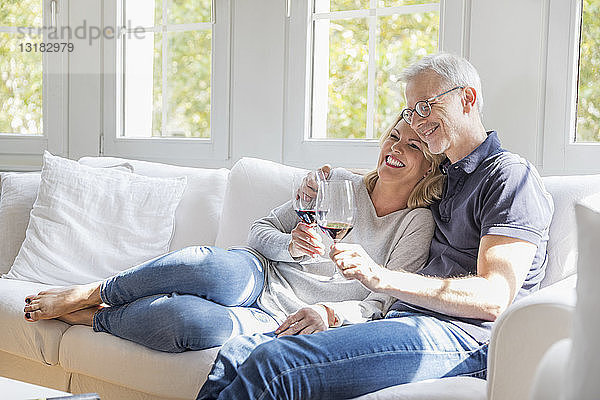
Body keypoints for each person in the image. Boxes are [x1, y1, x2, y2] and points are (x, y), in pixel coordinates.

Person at [195, 52, 554, 400]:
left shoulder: (509, 177)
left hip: (464, 337)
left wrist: (378, 275)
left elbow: (494, 298)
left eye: (426, 107)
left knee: (275, 364)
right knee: (241, 353)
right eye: (411, 112)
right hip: (402, 318)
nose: (417, 121)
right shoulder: (446, 175)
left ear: (467, 99)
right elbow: (387, 176)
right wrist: (323, 186)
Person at [22, 120, 445, 354]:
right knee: (209, 269)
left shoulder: (416, 223)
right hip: (258, 272)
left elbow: (384, 300)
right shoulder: (338, 184)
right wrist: (290, 247)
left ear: (428, 167)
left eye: (413, 146)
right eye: (394, 135)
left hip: (279, 318)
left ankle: (97, 317)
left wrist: (331, 315)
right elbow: (259, 231)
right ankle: (94, 290)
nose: (396, 147)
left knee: (191, 323)